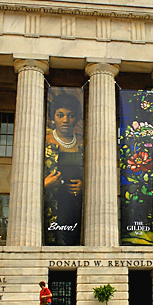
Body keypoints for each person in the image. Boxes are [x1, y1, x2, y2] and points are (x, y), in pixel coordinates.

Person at [44, 92, 84, 246]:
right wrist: (45, 184)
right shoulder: (43, 140)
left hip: (76, 206)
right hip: (53, 204)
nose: (65, 120)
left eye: (71, 115)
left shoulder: (83, 142)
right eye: (60, 115)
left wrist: (84, 186)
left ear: (77, 119)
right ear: (53, 117)